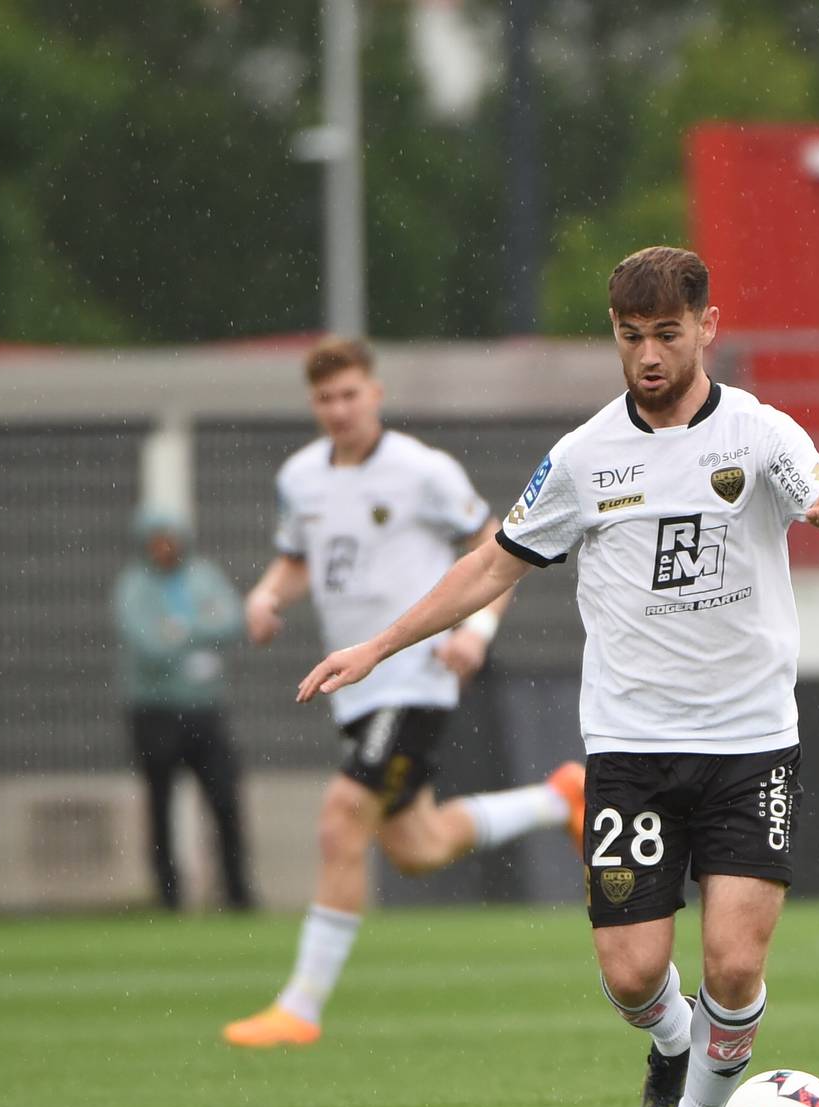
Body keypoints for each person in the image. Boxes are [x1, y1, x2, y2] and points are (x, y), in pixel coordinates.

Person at [292, 248, 819, 1107]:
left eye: (667, 334)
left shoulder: (763, 433)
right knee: (632, 972)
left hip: (752, 744)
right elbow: (490, 565)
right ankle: (672, 1045)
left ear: (707, 327)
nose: (648, 355)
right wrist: (380, 644)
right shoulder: (582, 457)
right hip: (632, 748)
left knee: (734, 965)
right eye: (630, 335)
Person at [222, 337, 586, 1049]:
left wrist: (477, 630)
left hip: (413, 676)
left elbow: (497, 546)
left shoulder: (423, 470)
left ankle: (300, 1006)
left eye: (350, 394)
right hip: (354, 688)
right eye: (325, 398)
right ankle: (559, 797)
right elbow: (301, 560)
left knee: (341, 817)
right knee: (417, 845)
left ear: (376, 394)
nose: (339, 409)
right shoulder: (300, 477)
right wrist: (266, 595)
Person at [114, 509, 255, 911]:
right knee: (161, 803)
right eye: (156, 540)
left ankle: (237, 892)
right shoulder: (134, 586)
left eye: (170, 539)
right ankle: (168, 895)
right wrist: (199, 633)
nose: (164, 548)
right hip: (155, 710)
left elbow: (232, 620)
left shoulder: (203, 576)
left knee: (224, 797)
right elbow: (147, 644)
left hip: (205, 708)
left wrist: (181, 630)